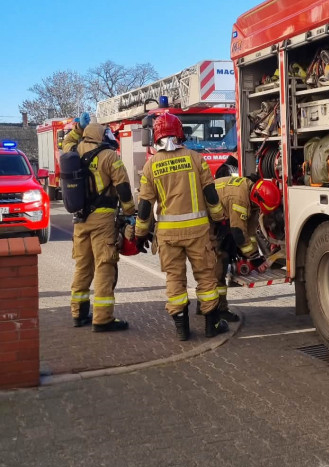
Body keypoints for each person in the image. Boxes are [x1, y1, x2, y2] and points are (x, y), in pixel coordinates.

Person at [135, 112, 228, 340]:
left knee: (175, 279)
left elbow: (145, 205)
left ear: (156, 136)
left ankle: (182, 329)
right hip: (198, 232)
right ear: (180, 134)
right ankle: (210, 326)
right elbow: (210, 193)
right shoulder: (196, 158)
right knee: (206, 277)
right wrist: (219, 219)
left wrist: (139, 233)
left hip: (168, 235)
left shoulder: (151, 165)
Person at [64, 115, 135, 332]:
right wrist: (130, 212)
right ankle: (103, 318)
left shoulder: (72, 152)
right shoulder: (109, 155)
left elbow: (67, 141)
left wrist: (77, 127)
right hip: (102, 219)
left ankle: (78, 314)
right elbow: (122, 188)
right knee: (104, 266)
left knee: (82, 266)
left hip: (79, 220)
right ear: (100, 135)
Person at [210, 175, 282, 320]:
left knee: (220, 260)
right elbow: (238, 232)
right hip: (207, 223)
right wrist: (254, 258)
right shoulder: (240, 200)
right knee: (218, 265)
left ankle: (207, 306)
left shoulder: (252, 194)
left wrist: (253, 254)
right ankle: (218, 310)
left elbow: (250, 233)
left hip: (218, 221)